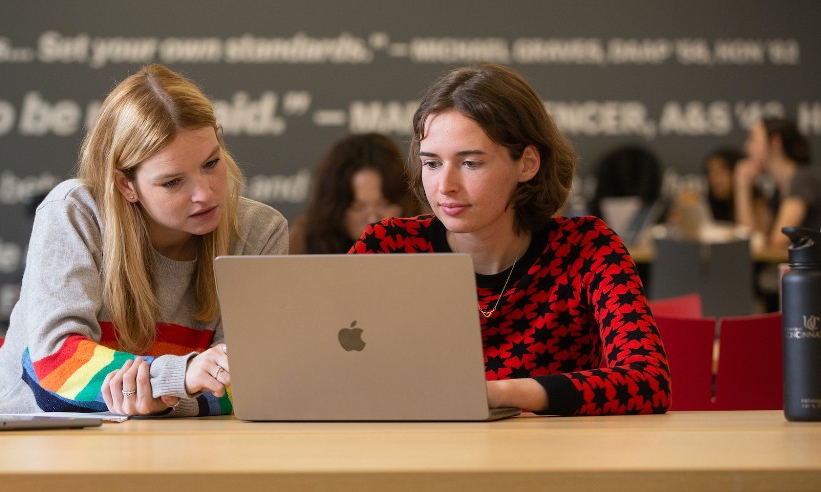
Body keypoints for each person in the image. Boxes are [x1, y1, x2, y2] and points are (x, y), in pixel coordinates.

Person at [0, 64, 288, 417]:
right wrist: (178, 378)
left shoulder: (259, 232)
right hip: (17, 433)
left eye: (211, 163)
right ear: (125, 185)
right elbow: (57, 361)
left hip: (164, 439)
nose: (204, 194)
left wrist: (162, 396)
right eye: (173, 182)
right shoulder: (73, 211)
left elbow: (253, 380)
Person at [350, 62, 671, 416]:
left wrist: (499, 393)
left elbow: (649, 382)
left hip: (552, 460)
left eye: (470, 163)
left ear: (528, 163)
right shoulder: (390, 246)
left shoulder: (587, 248)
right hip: (418, 454)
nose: (445, 186)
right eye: (431, 164)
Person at [289, 133, 421, 254]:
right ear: (335, 209)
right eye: (358, 208)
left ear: (404, 202)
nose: (373, 220)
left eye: (384, 205)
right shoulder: (304, 242)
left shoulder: (427, 235)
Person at [734, 117, 818, 249]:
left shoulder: (803, 179)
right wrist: (742, 187)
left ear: (775, 142)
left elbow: (779, 242)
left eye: (753, 139)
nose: (747, 146)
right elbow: (751, 238)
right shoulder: (779, 188)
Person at [704, 146, 746, 223]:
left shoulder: (755, 201)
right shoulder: (710, 204)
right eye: (710, 173)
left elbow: (749, 232)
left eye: (721, 172)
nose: (714, 179)